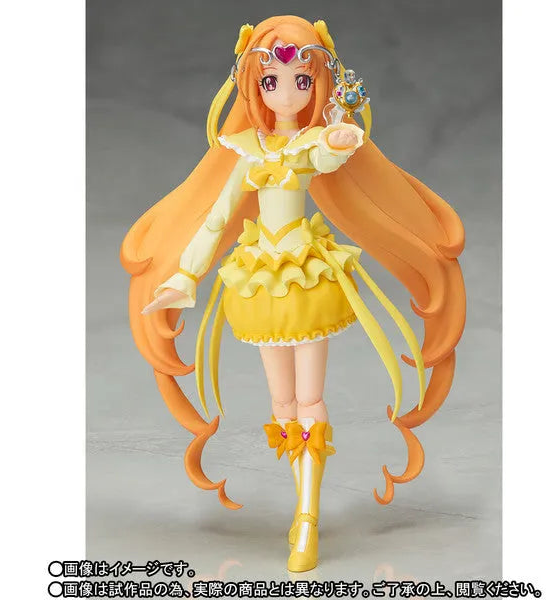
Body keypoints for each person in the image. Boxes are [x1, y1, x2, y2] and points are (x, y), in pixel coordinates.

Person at [121, 15, 466, 572]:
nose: (286, 93)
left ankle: (307, 516)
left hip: (307, 275)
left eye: (301, 80)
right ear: (253, 86)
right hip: (260, 279)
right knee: (281, 403)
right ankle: (301, 498)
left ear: (318, 84)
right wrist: (185, 276)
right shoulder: (248, 150)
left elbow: (329, 153)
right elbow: (217, 218)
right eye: (271, 81)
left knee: (309, 399)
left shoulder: (308, 144)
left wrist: (341, 134)